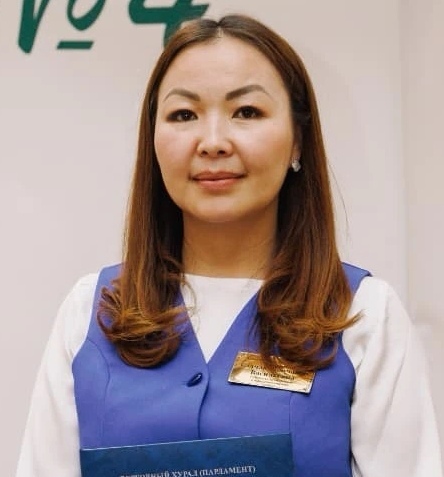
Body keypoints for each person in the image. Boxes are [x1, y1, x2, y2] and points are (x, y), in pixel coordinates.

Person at [16, 14, 442, 477]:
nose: (213, 142)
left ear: (297, 141)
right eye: (184, 115)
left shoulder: (364, 315)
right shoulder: (90, 311)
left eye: (247, 112)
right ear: (153, 140)